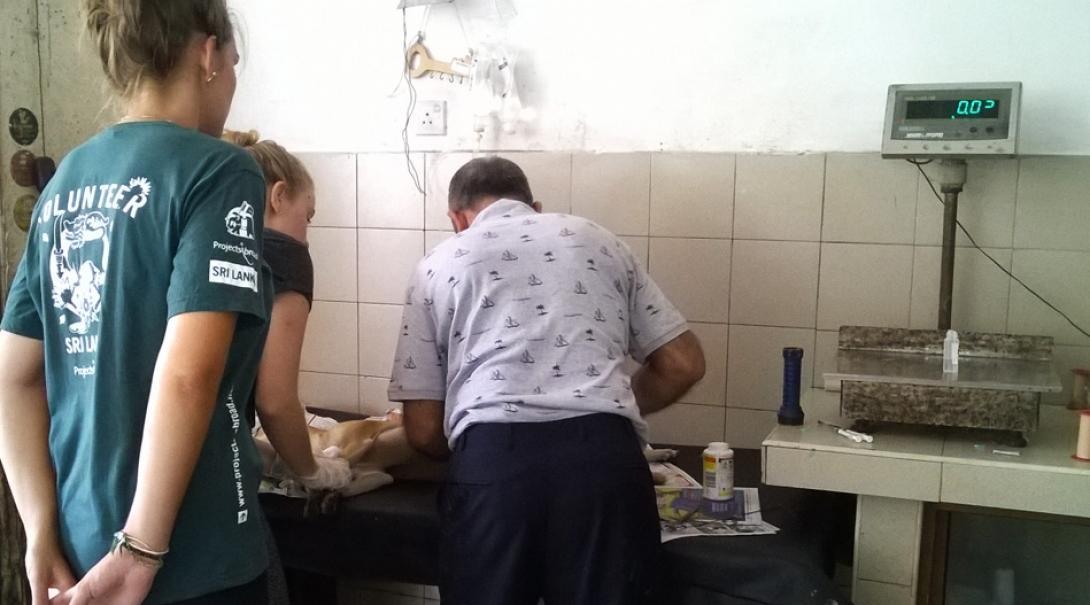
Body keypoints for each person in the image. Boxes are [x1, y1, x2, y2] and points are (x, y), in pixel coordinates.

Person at [0, 1, 273, 603]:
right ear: (207, 55)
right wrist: (141, 552)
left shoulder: (66, 181)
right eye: (233, 60)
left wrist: (39, 531)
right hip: (194, 557)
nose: (231, 77)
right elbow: (187, 373)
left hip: (78, 554)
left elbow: (13, 378)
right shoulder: (221, 172)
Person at [388, 156, 706, 605]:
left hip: (494, 470)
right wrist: (605, 406)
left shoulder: (437, 264)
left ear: (457, 218)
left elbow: (421, 430)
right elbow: (683, 363)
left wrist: (474, 447)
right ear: (534, 206)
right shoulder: (597, 240)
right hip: (604, 466)